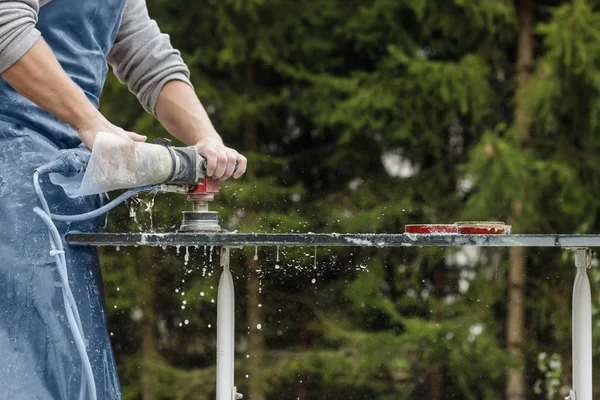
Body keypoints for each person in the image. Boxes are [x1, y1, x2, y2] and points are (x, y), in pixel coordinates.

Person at [0, 0, 247, 398]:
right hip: (8, 168)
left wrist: (207, 141)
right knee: (24, 358)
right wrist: (90, 122)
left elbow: (149, 59)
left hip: (61, 177)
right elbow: (5, 22)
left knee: (73, 352)